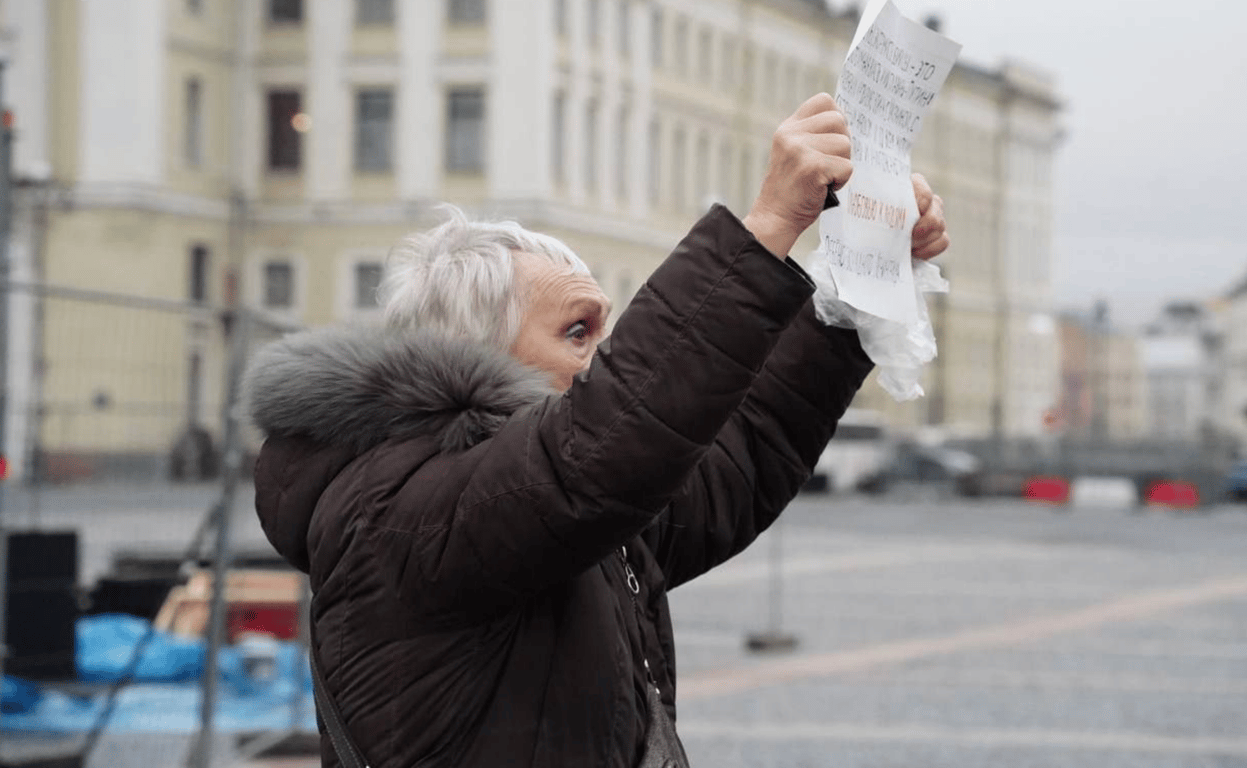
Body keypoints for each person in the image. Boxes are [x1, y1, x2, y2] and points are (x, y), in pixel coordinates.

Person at [246, 93, 949, 768]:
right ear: (471, 356)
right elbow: (606, 441)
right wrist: (765, 227)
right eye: (578, 332)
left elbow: (734, 457)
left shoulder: (559, 504)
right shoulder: (402, 513)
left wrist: (859, 288)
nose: (605, 359)